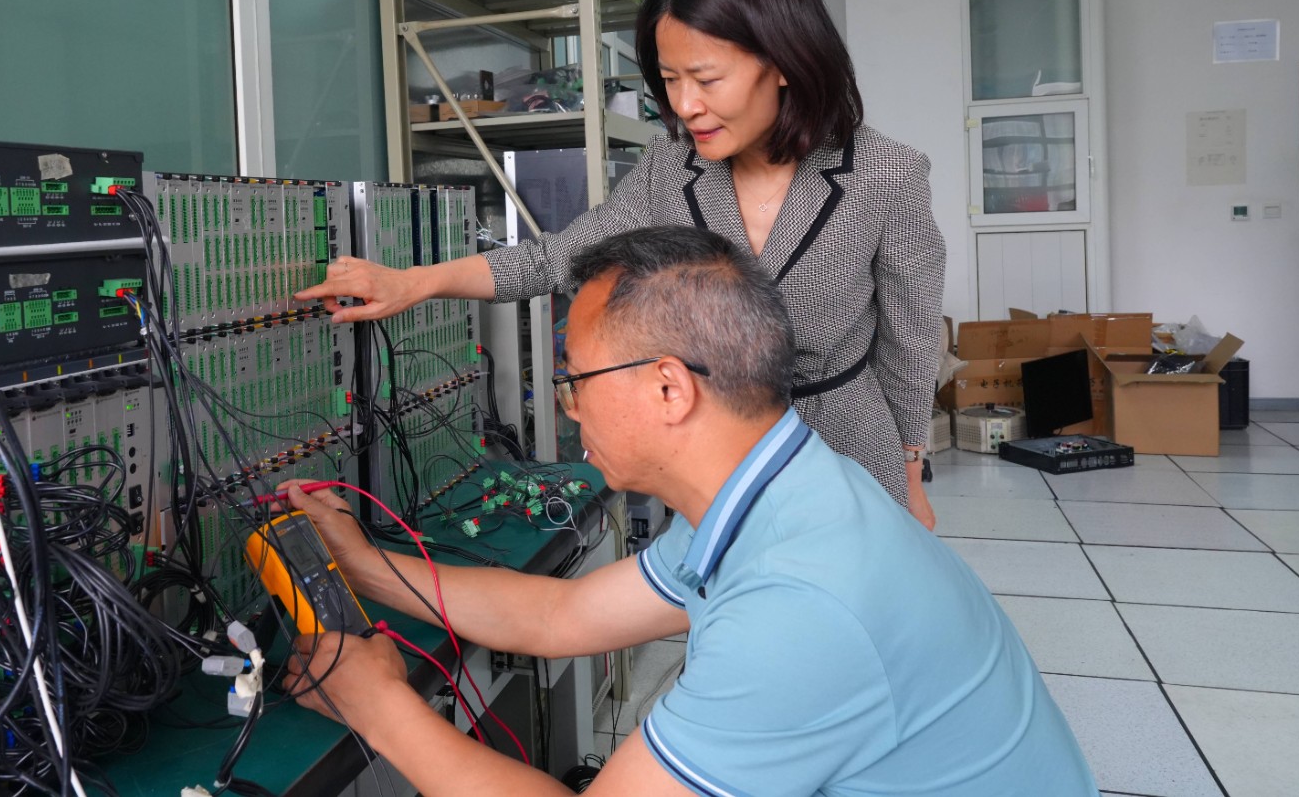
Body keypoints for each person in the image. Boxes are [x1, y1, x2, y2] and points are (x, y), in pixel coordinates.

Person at [275, 226, 1095, 797]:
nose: (567, 408)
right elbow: (561, 616)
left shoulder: (799, 605)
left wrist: (380, 705)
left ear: (671, 388)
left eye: (576, 380)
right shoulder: (786, 491)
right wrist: (364, 566)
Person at [299, 0, 945, 527]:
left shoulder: (885, 174)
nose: (684, 105)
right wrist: (415, 283)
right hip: (714, 452)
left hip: (844, 443)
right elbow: (556, 257)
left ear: (784, 62)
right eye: (670, 80)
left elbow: (910, 340)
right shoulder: (672, 168)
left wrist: (910, 471)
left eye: (706, 79)